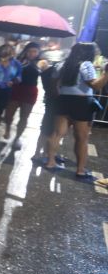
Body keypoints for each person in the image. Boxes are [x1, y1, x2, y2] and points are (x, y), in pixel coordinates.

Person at [44, 42, 108, 179]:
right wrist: (106, 74)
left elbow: (53, 84)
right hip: (81, 102)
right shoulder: (86, 65)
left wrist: (61, 95)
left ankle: (50, 162)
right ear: (88, 52)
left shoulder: (62, 64)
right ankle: (80, 170)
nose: (97, 53)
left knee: (57, 133)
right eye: (95, 51)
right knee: (81, 138)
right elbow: (96, 86)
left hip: (62, 100)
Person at [2, 42, 47, 149]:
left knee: (24, 117)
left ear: (38, 52)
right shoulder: (19, 60)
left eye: (35, 51)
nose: (32, 53)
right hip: (16, 89)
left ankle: (17, 137)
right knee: (8, 114)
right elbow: (10, 73)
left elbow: (46, 76)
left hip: (30, 91)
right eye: (30, 51)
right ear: (26, 51)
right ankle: (7, 128)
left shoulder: (41, 62)